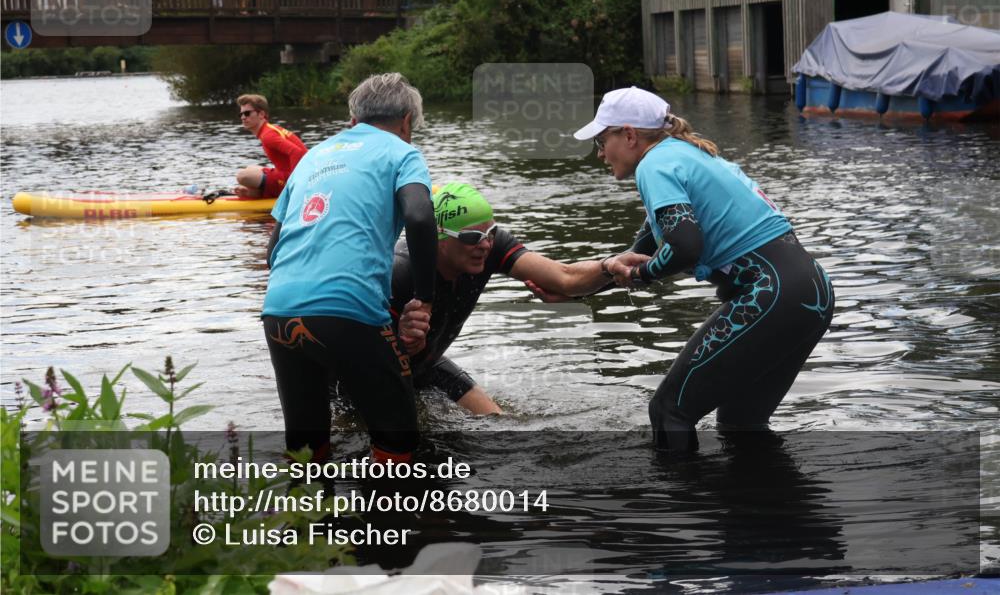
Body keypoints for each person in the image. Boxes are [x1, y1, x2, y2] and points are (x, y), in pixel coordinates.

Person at [573, 86, 835, 453]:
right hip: (812, 290)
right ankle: (768, 507)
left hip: (771, 294)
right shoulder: (683, 152)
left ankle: (684, 509)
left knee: (668, 410)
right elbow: (640, 248)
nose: (600, 153)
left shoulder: (653, 165)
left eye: (602, 140)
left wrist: (640, 275)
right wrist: (578, 287)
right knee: (741, 424)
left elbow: (684, 246)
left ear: (629, 134)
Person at [262, 73, 437, 464]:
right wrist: (424, 298)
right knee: (398, 431)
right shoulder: (401, 152)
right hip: (347, 308)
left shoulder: (313, 157)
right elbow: (421, 217)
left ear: (353, 120)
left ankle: (308, 522)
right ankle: (387, 521)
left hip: (278, 310)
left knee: (306, 443)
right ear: (407, 121)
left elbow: (273, 249)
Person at [392, 182, 650, 415]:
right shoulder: (399, 272)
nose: (485, 245)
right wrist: (399, 338)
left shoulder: (491, 248)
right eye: (472, 237)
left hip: (429, 364)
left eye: (491, 232)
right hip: (379, 376)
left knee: (499, 422)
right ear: (438, 237)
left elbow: (565, 277)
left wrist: (610, 266)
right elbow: (358, 346)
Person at [235, 94, 308, 199]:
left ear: (261, 114)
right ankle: (255, 193)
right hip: (289, 172)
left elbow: (297, 152)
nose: (242, 117)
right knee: (250, 168)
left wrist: (294, 184)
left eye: (247, 113)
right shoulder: (270, 129)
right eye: (241, 114)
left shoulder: (268, 136)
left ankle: (257, 193)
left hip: (295, 178)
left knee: (242, 176)